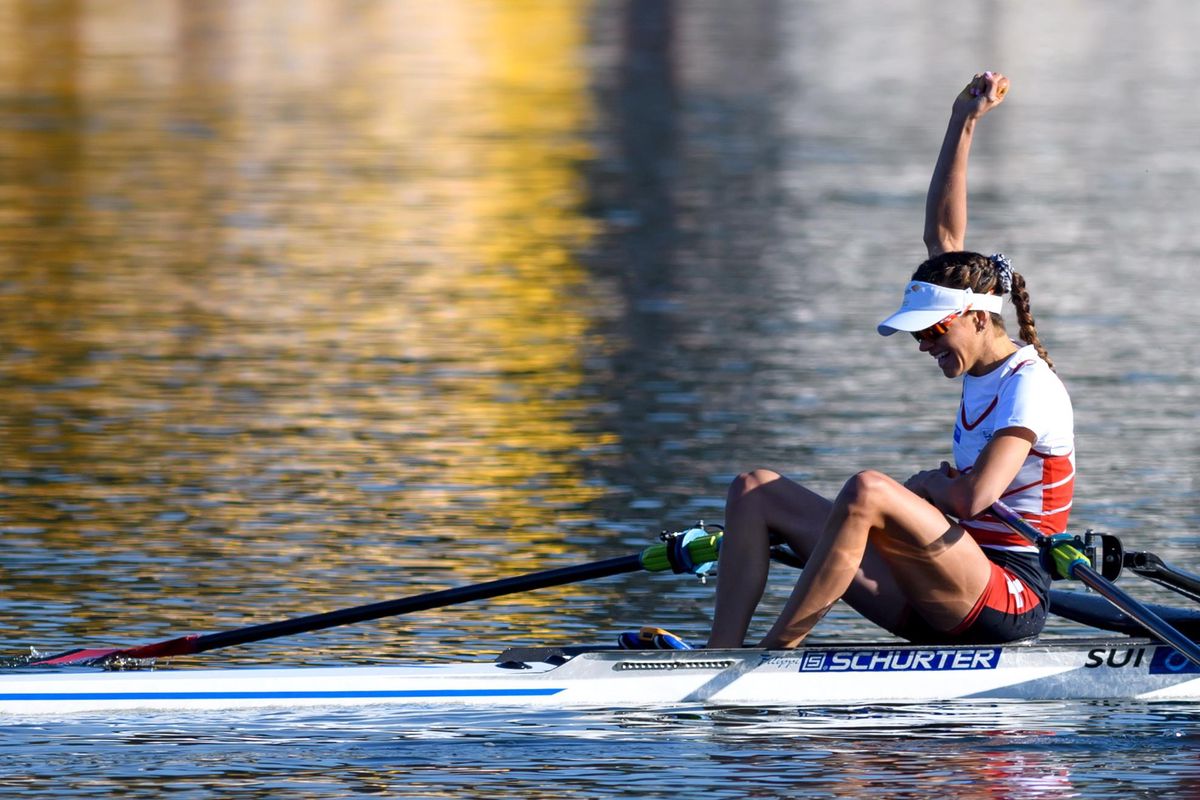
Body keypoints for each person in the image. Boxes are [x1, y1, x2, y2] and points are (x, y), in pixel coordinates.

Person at [707, 72, 1075, 649]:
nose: (925, 346)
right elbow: (943, 233)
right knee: (754, 488)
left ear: (980, 317)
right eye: (917, 338)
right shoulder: (971, 327)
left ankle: (771, 658)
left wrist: (929, 484)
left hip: (1009, 595)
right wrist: (963, 120)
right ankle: (717, 658)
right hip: (949, 576)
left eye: (933, 333)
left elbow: (976, 497)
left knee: (870, 491)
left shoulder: (1032, 386)